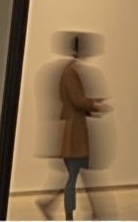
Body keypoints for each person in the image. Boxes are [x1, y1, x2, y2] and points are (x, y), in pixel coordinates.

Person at [39, 35, 107, 221]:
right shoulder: (70, 72)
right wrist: (94, 105)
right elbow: (77, 100)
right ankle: (69, 214)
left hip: (75, 130)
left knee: (76, 174)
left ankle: (56, 206)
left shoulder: (70, 71)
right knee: (74, 175)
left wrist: (92, 105)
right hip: (74, 133)